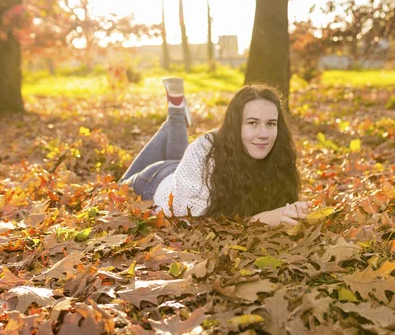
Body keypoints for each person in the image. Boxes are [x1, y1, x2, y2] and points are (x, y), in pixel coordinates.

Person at [119, 77, 310, 226]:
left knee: (177, 158)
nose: (263, 134)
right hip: (155, 182)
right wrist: (263, 219)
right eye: (252, 123)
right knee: (117, 187)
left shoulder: (278, 153)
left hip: (184, 172)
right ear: (236, 125)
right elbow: (193, 221)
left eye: (271, 124)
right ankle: (176, 114)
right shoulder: (205, 149)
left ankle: (176, 110)